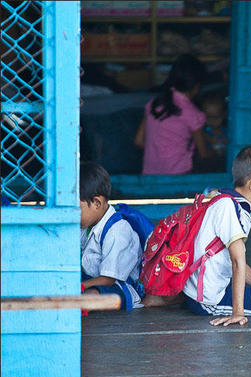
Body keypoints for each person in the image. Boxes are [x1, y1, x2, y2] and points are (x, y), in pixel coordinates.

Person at [183, 145, 251, 326]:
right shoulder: (229, 209)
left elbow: (235, 260)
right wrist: (238, 313)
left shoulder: (229, 202)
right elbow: (236, 261)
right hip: (208, 300)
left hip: (207, 287)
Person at [80, 162, 143, 310]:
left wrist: (78, 286)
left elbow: (108, 279)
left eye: (77, 208)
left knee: (94, 295)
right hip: (90, 280)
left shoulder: (117, 231)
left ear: (96, 203)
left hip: (117, 287)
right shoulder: (87, 225)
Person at [134, 54, 212, 175]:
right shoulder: (193, 114)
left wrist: (159, 151)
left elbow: (139, 141)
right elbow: (203, 153)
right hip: (179, 174)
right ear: (197, 86)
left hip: (149, 174)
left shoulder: (153, 104)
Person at [193, 94, 228, 173]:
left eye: (216, 118)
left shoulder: (227, 131)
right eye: (209, 118)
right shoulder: (202, 132)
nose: (212, 122)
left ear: (223, 115)